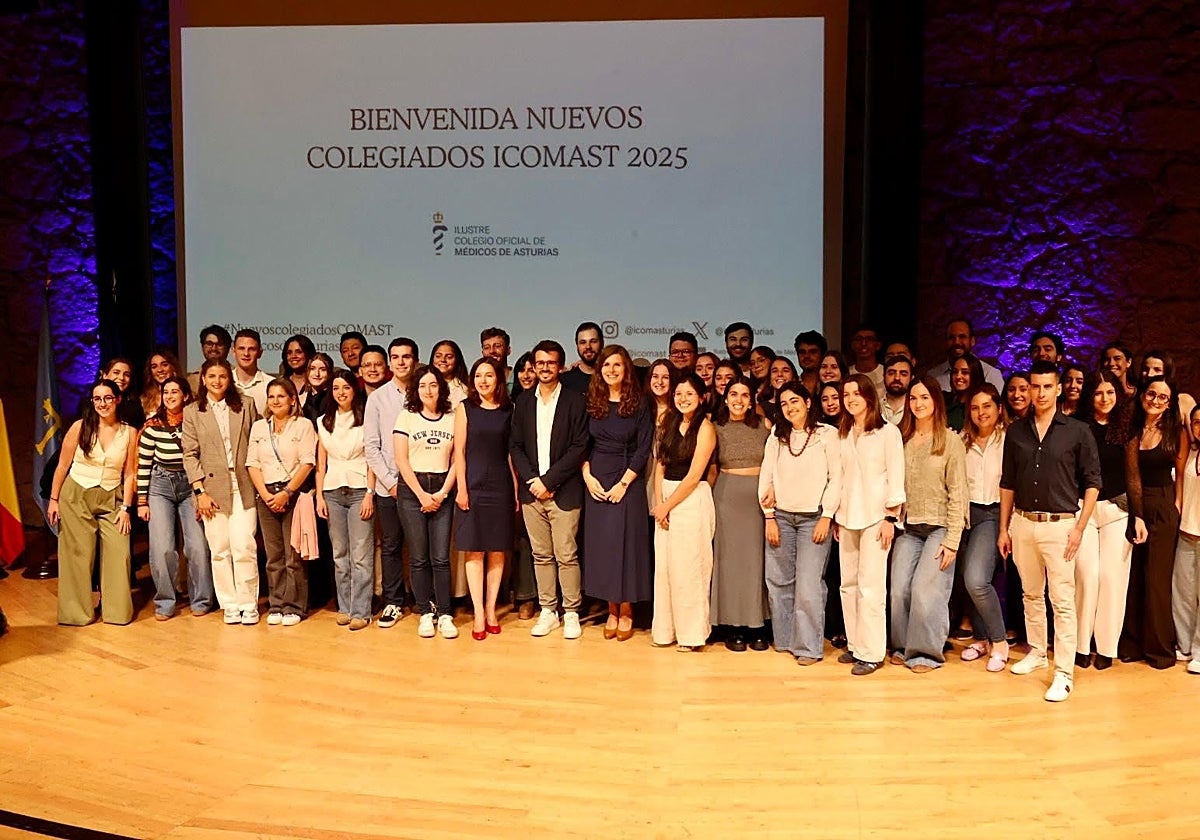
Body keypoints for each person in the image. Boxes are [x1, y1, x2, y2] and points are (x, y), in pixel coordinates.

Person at [999, 360, 1101, 702]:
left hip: (1061, 526)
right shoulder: (1016, 432)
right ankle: (1038, 651)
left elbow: (1092, 483)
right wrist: (1004, 528)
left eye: (1046, 387)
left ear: (1058, 389)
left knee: (1062, 601)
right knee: (1030, 594)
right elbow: (1008, 483)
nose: (1039, 393)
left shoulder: (1078, 431)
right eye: (1034, 386)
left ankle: (1064, 673)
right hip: (1024, 523)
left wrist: (1080, 528)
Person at [509, 340, 589, 639]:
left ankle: (571, 612)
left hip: (563, 491)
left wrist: (549, 481)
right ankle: (548, 610)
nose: (544, 368)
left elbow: (580, 446)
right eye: (539, 363)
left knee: (566, 555)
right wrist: (533, 480)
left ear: (560, 366)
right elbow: (515, 445)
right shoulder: (524, 402)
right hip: (532, 493)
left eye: (550, 363)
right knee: (541, 555)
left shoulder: (575, 401)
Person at [890, 377, 968, 673]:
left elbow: (959, 492)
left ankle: (926, 653)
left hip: (940, 528)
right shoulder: (902, 439)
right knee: (898, 590)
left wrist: (953, 540)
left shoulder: (950, 441)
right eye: (913, 398)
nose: (918, 403)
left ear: (936, 400)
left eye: (924, 397)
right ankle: (902, 645)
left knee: (925, 591)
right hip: (909, 527)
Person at [758, 381, 839, 663]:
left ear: (807, 402)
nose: (789, 407)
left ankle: (808, 647)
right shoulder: (776, 437)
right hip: (780, 516)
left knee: (809, 584)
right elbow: (766, 478)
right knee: (779, 582)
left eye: (794, 401)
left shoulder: (827, 435)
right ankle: (785, 640)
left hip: (813, 518)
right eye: (783, 403)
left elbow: (836, 478)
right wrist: (769, 517)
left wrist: (827, 515)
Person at [47, 379, 138, 625]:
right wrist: (54, 500)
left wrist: (126, 508)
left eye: (108, 398)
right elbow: (62, 466)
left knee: (119, 554)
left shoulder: (129, 432)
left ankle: (116, 612)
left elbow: (130, 473)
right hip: (77, 493)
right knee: (78, 555)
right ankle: (76, 613)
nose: (102, 403)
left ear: (117, 399)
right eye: (97, 399)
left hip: (112, 496)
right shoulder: (80, 427)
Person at [582, 345, 654, 642]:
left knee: (627, 547)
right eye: (607, 365)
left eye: (618, 365)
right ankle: (610, 609)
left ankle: (626, 610)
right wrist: (587, 476)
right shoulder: (592, 403)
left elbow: (643, 447)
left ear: (626, 370)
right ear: (600, 370)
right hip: (596, 479)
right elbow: (581, 444)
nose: (611, 370)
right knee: (604, 548)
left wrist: (624, 483)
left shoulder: (638, 405)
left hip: (628, 481)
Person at [834, 373, 904, 675]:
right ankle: (855, 644)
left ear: (868, 397)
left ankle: (872, 652)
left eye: (856, 393)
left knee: (871, 587)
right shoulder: (843, 433)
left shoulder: (888, 433)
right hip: (847, 516)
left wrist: (891, 516)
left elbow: (896, 477)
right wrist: (835, 515)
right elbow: (838, 477)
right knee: (847, 585)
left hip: (876, 517)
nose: (850, 399)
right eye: (846, 394)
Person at [182, 358, 260, 625]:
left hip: (243, 484)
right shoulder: (193, 411)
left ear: (230, 379)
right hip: (211, 488)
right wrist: (199, 491)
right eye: (211, 376)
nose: (217, 381)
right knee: (219, 549)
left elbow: (257, 441)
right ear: (203, 379)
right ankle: (230, 604)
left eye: (222, 376)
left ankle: (248, 603)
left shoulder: (246, 405)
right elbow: (190, 455)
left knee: (244, 546)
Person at [1121, 376, 1187, 669]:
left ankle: (1160, 650)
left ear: (1169, 403)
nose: (1156, 401)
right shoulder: (1134, 428)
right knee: (1135, 577)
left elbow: (1182, 472)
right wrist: (1137, 513)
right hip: (1136, 506)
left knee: (1157, 580)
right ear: (1143, 395)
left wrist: (1176, 506)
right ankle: (1133, 644)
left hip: (1163, 505)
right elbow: (1132, 475)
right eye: (1152, 394)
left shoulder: (1176, 431)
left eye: (1163, 397)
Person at [137, 375, 213, 620]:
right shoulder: (152, 425)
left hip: (191, 485)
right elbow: (144, 464)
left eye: (174, 392)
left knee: (198, 546)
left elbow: (203, 458)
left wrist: (203, 493)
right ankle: (165, 602)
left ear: (186, 396)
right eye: (165, 392)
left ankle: (201, 599)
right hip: (160, 485)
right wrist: (141, 501)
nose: (169, 397)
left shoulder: (195, 422)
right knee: (163, 548)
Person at [651, 372, 717, 651]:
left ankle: (692, 636)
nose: (683, 399)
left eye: (689, 394)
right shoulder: (669, 422)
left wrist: (667, 505)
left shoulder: (706, 428)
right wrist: (659, 503)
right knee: (665, 569)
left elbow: (694, 476)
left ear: (701, 397)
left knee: (689, 570)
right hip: (665, 499)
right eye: (678, 394)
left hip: (691, 500)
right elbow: (660, 465)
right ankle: (666, 632)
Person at [393, 364, 458, 639]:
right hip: (412, 490)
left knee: (441, 558)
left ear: (440, 388)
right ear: (415, 390)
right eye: (422, 386)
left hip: (443, 487)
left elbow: (458, 459)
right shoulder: (406, 417)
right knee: (419, 558)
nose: (428, 390)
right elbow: (401, 459)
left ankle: (445, 613)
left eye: (433, 384)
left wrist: (442, 493)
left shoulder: (453, 417)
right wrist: (421, 494)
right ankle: (425, 613)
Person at [246, 377, 317, 626]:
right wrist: (266, 495)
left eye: (281, 396)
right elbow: (252, 463)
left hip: (293, 495)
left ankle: (295, 606)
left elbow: (308, 462)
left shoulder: (304, 425)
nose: (276, 401)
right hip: (266, 495)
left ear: (292, 399)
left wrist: (286, 492)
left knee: (293, 556)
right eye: (272, 396)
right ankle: (276, 603)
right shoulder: (258, 427)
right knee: (274, 555)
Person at [454, 357, 516, 640]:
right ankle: (478, 611)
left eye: (488, 375)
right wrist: (462, 489)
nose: (483, 380)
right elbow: (460, 452)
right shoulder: (465, 409)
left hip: (501, 486)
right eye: (478, 376)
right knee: (475, 549)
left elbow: (510, 454)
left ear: (498, 379)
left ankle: (492, 609)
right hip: (473, 486)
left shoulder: (508, 409)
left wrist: (515, 489)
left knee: (497, 550)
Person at [1074, 370, 1132, 670]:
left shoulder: (1125, 429)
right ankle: (1081, 646)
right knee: (1086, 576)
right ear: (1090, 397)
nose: (1105, 398)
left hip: (1116, 511)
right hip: (1084, 510)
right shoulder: (1078, 428)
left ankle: (1106, 647)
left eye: (1110, 392)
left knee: (1112, 579)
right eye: (1098, 393)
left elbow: (1133, 475)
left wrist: (1138, 517)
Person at [710, 377, 771, 651]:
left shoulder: (764, 426)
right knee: (730, 563)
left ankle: (757, 624)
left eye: (744, 395)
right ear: (725, 398)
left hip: (758, 500)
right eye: (733, 394)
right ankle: (733, 626)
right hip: (726, 497)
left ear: (751, 399)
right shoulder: (716, 427)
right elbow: (710, 469)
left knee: (756, 563)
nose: (738, 400)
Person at [363, 337, 418, 628]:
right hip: (390, 487)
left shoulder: (427, 391)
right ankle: (394, 602)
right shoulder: (377, 398)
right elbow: (371, 446)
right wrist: (389, 482)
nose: (401, 362)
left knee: (422, 548)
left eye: (406, 357)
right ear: (389, 362)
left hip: (422, 487)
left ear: (415, 360)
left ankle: (425, 600)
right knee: (392, 546)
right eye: (395, 357)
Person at [315, 369, 375, 631]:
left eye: (346, 388)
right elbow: (320, 463)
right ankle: (345, 607)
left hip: (361, 488)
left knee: (361, 555)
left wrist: (371, 493)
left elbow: (373, 459)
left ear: (355, 390)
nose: (341, 392)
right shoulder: (323, 421)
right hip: (332, 491)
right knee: (340, 555)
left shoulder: (366, 418)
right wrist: (319, 495)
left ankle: (362, 610)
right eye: (336, 388)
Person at [957, 385, 1011, 671]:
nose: (981, 413)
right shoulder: (961, 440)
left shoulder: (1008, 440)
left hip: (993, 512)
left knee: (978, 579)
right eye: (975, 407)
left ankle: (1000, 641)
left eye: (987, 406)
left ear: (998, 407)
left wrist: (1006, 526)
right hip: (964, 514)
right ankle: (982, 638)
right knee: (967, 579)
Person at [507, 350, 539, 620]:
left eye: (532, 369)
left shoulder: (549, 401)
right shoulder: (509, 404)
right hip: (515, 476)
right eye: (522, 370)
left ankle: (551, 598)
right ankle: (525, 595)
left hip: (546, 479)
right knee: (522, 540)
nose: (527, 374)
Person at [1173, 405, 1200, 675]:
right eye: (1196, 422)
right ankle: (1185, 644)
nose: (1199, 427)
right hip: (1186, 532)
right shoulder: (1190, 453)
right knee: (1181, 594)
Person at [928, 317, 1005, 394]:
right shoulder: (933, 376)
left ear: (972, 341)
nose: (956, 342)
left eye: (962, 337)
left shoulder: (990, 374)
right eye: (952, 337)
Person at [1140, 349, 1196, 419]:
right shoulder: (1135, 400)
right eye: (1146, 369)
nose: (1150, 374)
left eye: (1157, 370)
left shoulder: (1184, 401)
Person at [230, 329, 270, 415]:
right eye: (241, 348)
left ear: (260, 353)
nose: (246, 353)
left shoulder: (270, 384)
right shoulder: (223, 383)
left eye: (251, 349)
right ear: (233, 352)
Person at [187, 324, 232, 394]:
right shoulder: (192, 380)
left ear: (228, 348)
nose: (214, 348)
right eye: (209, 343)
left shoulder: (236, 375)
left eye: (219, 344)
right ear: (202, 347)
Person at [140, 348, 183, 420]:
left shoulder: (186, 395)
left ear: (173, 367)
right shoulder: (144, 399)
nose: (159, 370)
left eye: (164, 365)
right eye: (154, 367)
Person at [945, 353, 985, 432]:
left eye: (965, 372)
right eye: (955, 372)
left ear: (975, 374)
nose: (958, 376)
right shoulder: (945, 401)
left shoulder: (982, 406)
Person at [561, 321, 604, 394]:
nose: (588, 346)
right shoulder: (564, 381)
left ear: (602, 343)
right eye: (583, 342)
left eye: (593, 341)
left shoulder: (611, 378)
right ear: (577, 346)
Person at [102, 357, 143, 428]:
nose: (121, 378)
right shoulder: (88, 403)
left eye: (126, 375)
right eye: (116, 373)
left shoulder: (134, 408)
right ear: (104, 375)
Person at [847, 324, 884, 399]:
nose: (863, 343)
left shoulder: (886, 373)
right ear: (852, 345)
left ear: (878, 345)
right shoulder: (845, 372)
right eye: (858, 339)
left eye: (869, 339)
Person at [758, 357, 798, 424]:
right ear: (769, 378)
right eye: (774, 371)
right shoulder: (761, 408)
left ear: (793, 377)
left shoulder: (801, 404)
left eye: (785, 370)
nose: (779, 374)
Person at [430, 339, 470, 406]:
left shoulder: (464, 391)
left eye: (449, 357)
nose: (443, 360)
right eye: (438, 356)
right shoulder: (422, 384)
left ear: (457, 360)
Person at [880, 354, 913, 426]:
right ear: (884, 376)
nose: (897, 378)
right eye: (891, 373)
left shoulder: (916, 408)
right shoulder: (873, 407)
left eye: (903, 374)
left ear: (911, 378)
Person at [301, 352, 334, 422]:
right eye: (312, 369)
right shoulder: (301, 400)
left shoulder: (334, 399)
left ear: (329, 373)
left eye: (323, 369)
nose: (317, 374)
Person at [793, 330, 827, 395]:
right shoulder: (791, 385)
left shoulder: (829, 386)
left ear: (822, 354)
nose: (807, 356)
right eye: (802, 352)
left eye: (813, 352)